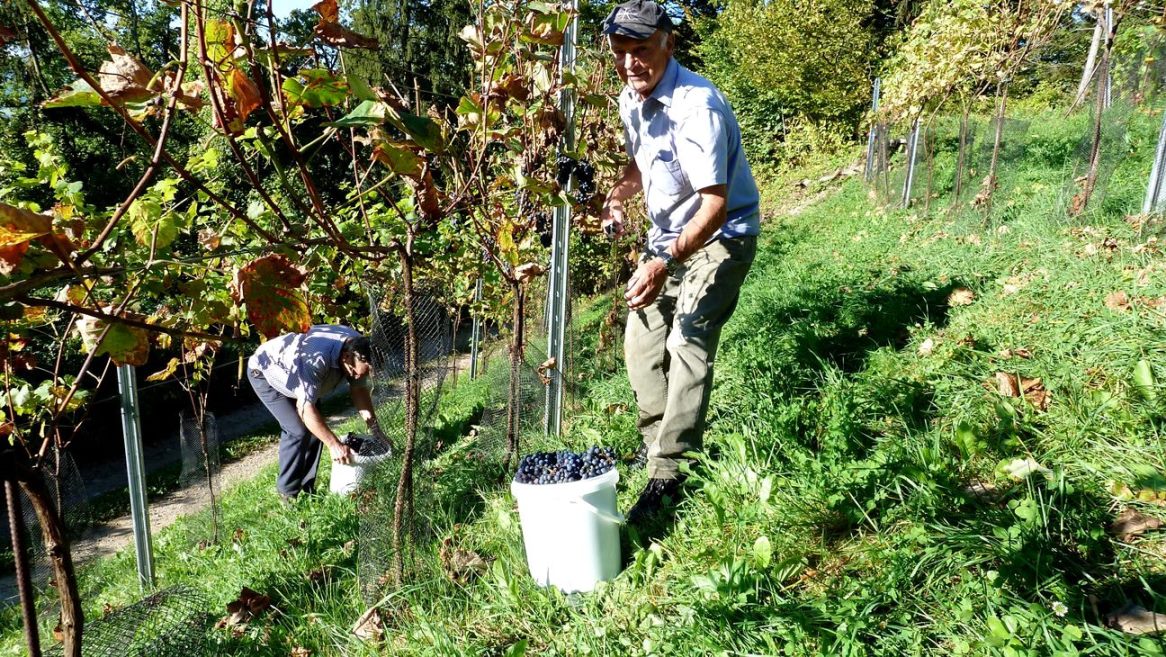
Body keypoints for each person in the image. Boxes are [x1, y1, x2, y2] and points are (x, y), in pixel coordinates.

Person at [600, 0, 760, 524]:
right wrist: (618, 200)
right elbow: (639, 163)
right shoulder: (632, 96)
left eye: (641, 49)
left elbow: (714, 205)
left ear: (668, 42)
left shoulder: (698, 107)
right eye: (620, 52)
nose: (629, 63)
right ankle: (659, 450)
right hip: (667, 236)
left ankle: (671, 472)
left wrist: (661, 261)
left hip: (723, 234)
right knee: (641, 344)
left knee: (686, 339)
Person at [247, 324, 392, 500]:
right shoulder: (316, 359)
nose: (358, 378)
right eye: (356, 373)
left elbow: (359, 391)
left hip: (300, 377)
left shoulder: (359, 348)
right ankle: (287, 494)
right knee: (298, 431)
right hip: (267, 371)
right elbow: (305, 408)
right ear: (346, 357)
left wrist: (376, 431)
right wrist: (334, 445)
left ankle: (307, 491)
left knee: (317, 432)